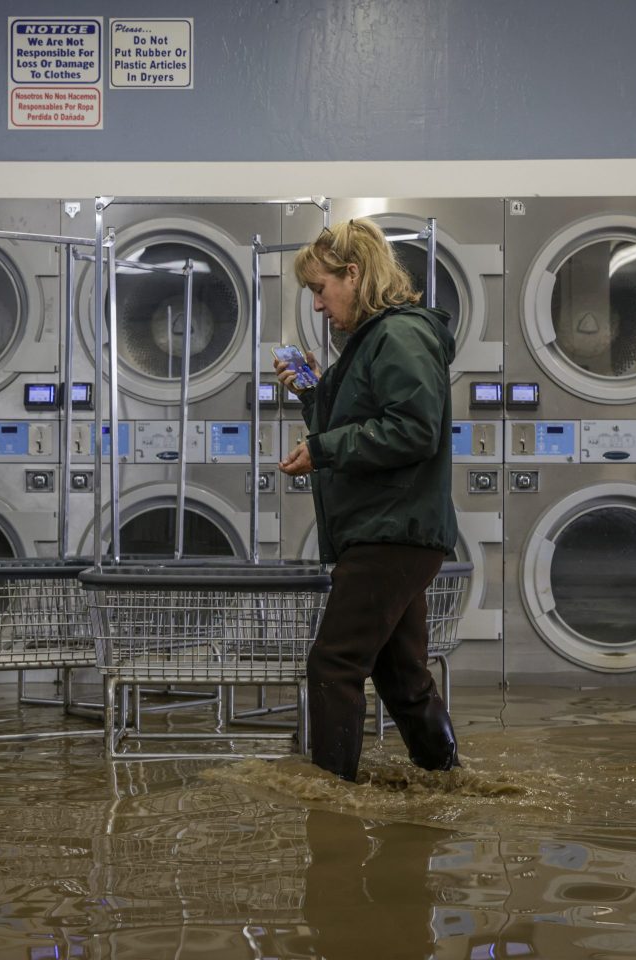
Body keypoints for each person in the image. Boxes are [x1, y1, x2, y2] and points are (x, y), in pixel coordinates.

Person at [273, 217, 460, 782]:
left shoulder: (398, 335)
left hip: (391, 529)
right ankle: (448, 781)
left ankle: (331, 800)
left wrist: (323, 448)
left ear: (352, 275)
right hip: (388, 527)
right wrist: (312, 395)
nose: (317, 305)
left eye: (319, 288)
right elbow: (361, 425)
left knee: (334, 661)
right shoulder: (372, 340)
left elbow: (413, 430)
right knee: (401, 674)